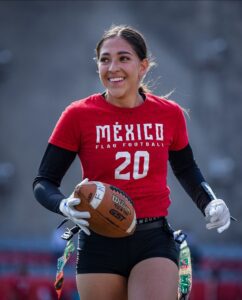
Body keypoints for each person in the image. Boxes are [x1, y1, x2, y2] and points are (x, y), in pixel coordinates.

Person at [33, 25, 231, 300]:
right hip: (98, 238)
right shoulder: (78, 115)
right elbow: (44, 182)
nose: (113, 67)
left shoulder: (169, 114)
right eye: (105, 59)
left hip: (152, 238)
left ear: (143, 66)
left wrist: (209, 201)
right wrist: (62, 204)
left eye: (124, 58)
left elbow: (186, 168)